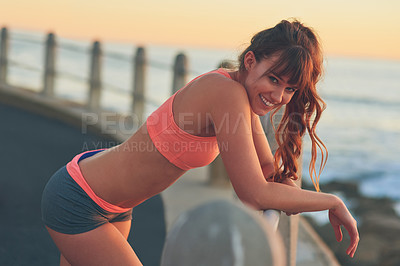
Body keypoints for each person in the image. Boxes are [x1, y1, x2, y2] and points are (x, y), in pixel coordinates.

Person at [41, 19, 359, 265]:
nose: (278, 96)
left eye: (289, 89)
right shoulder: (226, 92)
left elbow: (265, 168)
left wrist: (289, 188)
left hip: (115, 206)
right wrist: (331, 202)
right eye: (273, 79)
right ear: (250, 61)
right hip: (80, 201)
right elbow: (253, 193)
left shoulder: (239, 93)